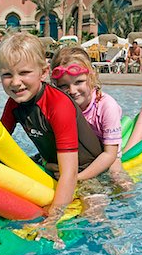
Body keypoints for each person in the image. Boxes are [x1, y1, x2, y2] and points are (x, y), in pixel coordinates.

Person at [0, 32, 103, 245]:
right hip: (51, 168)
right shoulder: (14, 104)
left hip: (87, 172)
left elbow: (71, 173)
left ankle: (111, 241)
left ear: (43, 72)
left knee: (95, 218)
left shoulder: (58, 105)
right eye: (7, 74)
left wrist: (52, 221)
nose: (15, 83)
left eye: (24, 73)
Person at [50, 46, 126, 184]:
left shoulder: (106, 106)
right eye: (63, 86)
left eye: (79, 82)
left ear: (91, 77)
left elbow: (110, 154)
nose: (72, 91)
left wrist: (77, 178)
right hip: (79, 155)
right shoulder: (60, 106)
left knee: (119, 180)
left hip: (108, 154)